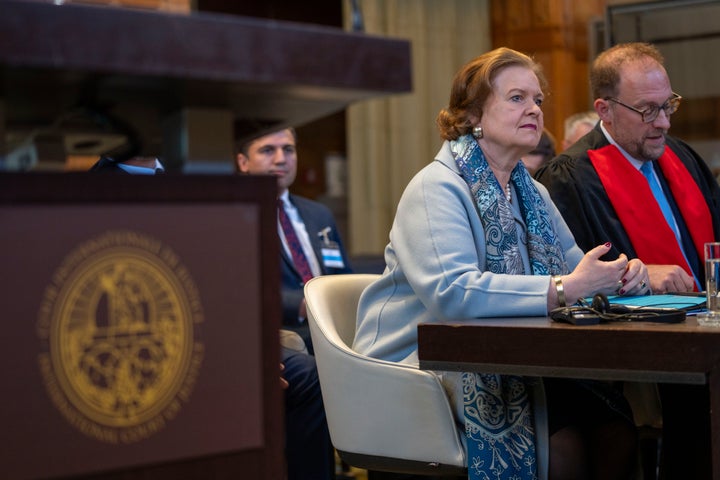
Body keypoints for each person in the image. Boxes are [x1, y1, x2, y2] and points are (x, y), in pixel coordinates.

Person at [353, 47, 647, 480]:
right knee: (560, 443)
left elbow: (573, 273)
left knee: (615, 425)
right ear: (473, 114)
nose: (534, 109)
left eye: (538, 100)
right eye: (516, 98)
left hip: (514, 357)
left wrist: (617, 277)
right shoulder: (435, 188)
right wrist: (566, 288)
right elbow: (454, 293)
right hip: (422, 366)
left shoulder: (532, 191)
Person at [535, 42, 720, 479]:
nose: (664, 122)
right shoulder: (570, 178)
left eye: (668, 105)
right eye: (648, 110)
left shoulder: (683, 159)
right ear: (605, 109)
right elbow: (568, 287)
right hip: (642, 355)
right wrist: (638, 276)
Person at [90, 154, 334, 480]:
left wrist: (249, 350)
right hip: (149, 349)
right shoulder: (92, 191)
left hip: (217, 340)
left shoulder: (195, 175)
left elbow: (224, 283)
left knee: (306, 375)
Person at [236, 127, 353, 354]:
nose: (281, 159)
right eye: (268, 150)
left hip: (337, 328)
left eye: (288, 150)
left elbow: (344, 275)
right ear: (243, 162)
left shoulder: (320, 214)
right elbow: (238, 288)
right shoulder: (237, 217)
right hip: (285, 331)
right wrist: (302, 305)